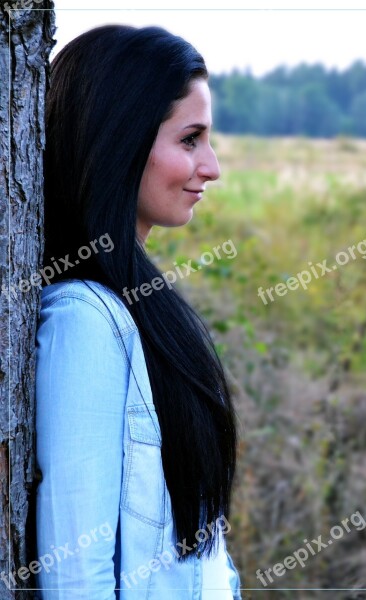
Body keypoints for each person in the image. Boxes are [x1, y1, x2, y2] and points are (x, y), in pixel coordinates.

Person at [34, 24, 242, 599]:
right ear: (121, 140)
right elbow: (75, 575)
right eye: (190, 139)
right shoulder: (85, 321)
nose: (212, 167)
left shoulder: (140, 305)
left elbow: (203, 556)